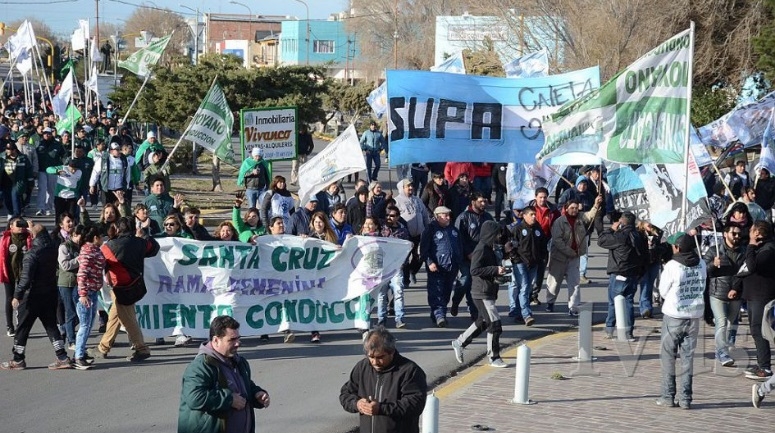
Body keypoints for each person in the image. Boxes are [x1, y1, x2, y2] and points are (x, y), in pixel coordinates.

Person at [178, 315, 270, 433]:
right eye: (232, 340)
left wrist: (257, 394)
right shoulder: (200, 366)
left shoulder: (239, 362)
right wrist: (229, 399)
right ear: (216, 340)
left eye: (238, 338)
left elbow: (243, 386)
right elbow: (195, 397)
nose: (238, 343)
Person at [0, 224, 72, 370]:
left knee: (22, 328)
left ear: (33, 236)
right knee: (51, 326)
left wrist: (17, 295)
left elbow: (25, 279)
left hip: (31, 297)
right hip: (49, 294)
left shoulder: (32, 254)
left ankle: (18, 359)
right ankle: (62, 357)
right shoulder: (53, 249)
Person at [339, 326, 427, 433]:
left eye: (380, 357)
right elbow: (346, 393)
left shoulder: (409, 371)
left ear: (392, 352)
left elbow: (415, 404)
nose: (375, 362)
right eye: (371, 357)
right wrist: (357, 404)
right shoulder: (362, 367)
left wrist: (381, 408)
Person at [95, 217, 159, 361]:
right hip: (135, 284)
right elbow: (154, 249)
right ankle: (103, 347)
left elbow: (101, 262)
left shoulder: (109, 246)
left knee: (128, 320)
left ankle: (141, 348)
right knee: (115, 316)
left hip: (120, 287)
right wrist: (144, 234)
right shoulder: (140, 243)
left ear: (118, 229)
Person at [656, 232, 706, 410]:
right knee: (687, 358)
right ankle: (686, 398)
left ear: (677, 248)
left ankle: (668, 396)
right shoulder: (702, 263)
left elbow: (662, 291)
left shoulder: (672, 265)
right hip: (693, 315)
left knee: (668, 357)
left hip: (674, 315)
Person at [451, 220, 508, 367]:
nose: (498, 236)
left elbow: (486, 267)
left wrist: (498, 272)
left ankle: (460, 342)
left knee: (483, 322)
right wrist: (495, 270)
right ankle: (493, 357)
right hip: (481, 292)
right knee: (495, 324)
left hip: (488, 290)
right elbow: (474, 270)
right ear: (490, 234)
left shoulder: (489, 248)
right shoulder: (481, 249)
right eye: (496, 234)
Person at [545, 197, 601, 314]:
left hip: (574, 258)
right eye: (571, 208)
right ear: (566, 209)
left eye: (576, 208)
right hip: (559, 258)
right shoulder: (560, 221)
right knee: (554, 283)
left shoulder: (580, 218)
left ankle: (573, 307)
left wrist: (596, 205)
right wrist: (570, 251)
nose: (574, 210)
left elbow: (590, 215)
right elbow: (557, 241)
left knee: (575, 284)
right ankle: (550, 302)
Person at [598, 211, 647, 340]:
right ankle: (628, 331)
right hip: (633, 274)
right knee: (628, 302)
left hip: (619, 272)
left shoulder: (620, 236)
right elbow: (646, 256)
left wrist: (610, 229)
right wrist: (641, 272)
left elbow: (602, 241)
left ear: (622, 222)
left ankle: (610, 328)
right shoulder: (640, 236)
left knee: (614, 302)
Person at [703, 223, 745, 367]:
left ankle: (724, 346)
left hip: (736, 292)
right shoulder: (714, 250)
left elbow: (744, 272)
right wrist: (713, 264)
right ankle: (721, 351)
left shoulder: (743, 252)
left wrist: (735, 288)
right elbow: (705, 271)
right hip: (718, 292)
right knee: (721, 321)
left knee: (731, 322)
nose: (737, 236)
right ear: (725, 234)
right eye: (734, 233)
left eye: (739, 234)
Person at [738, 221, 775, 380]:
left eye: (752, 230)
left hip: (762, 296)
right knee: (755, 330)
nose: (749, 232)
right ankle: (762, 363)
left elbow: (752, 266)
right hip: (753, 296)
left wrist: (751, 246)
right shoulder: (761, 247)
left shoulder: (768, 249)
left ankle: (765, 367)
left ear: (758, 233)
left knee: (760, 331)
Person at [452, 191, 493, 321]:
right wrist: (468, 252)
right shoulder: (464, 217)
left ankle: (474, 312)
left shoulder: (487, 217)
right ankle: (456, 301)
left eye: (484, 201)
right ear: (473, 202)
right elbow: (458, 238)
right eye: (480, 201)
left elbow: (493, 235)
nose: (483, 203)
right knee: (465, 281)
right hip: (467, 257)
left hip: (482, 257)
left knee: (476, 285)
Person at [420, 206, 463, 327]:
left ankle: (437, 312)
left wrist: (459, 260)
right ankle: (440, 315)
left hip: (452, 266)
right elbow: (424, 249)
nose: (448, 217)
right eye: (445, 215)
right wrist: (429, 262)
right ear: (438, 216)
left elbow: (459, 245)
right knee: (436, 290)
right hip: (437, 266)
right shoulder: (430, 229)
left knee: (446, 291)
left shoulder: (453, 229)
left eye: (449, 215)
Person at [508, 206, 547, 326]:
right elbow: (511, 246)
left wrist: (542, 258)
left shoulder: (537, 228)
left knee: (527, 288)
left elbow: (543, 244)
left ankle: (518, 312)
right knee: (524, 287)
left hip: (534, 263)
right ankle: (526, 314)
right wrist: (515, 259)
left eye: (535, 214)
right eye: (531, 214)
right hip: (520, 263)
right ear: (524, 216)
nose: (534, 217)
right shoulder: (518, 229)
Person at [73, 226, 104, 370]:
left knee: (89, 325)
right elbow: (82, 274)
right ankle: (78, 357)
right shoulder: (87, 252)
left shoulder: (95, 250)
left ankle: (82, 352)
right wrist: (83, 294)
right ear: (95, 237)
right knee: (84, 325)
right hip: (86, 293)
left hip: (93, 292)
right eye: (100, 236)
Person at [378, 205, 411, 328]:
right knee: (382, 294)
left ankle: (399, 318)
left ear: (397, 217)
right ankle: (381, 319)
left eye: (392, 215)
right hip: (383, 267)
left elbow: (407, 249)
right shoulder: (381, 229)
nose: (389, 218)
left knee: (398, 291)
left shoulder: (403, 231)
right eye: (387, 215)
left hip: (397, 266)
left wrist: (403, 263)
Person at [0, 218, 31, 337]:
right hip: (10, 273)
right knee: (9, 298)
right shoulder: (6, 238)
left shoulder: (28, 237)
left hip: (24, 274)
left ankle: (21, 324)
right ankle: (9, 325)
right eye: (17, 224)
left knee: (23, 299)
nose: (21, 227)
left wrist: (31, 228)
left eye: (22, 224)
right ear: (11, 227)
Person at [56, 223, 83, 351]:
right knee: (70, 312)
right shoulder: (64, 247)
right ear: (72, 235)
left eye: (81, 236)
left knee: (79, 312)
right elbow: (65, 265)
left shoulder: (81, 246)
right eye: (77, 235)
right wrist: (79, 259)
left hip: (78, 282)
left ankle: (67, 330)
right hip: (66, 283)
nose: (79, 238)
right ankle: (71, 341)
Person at [89, 140, 130, 206]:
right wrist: (92, 185)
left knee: (119, 209)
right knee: (106, 207)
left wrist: (126, 186)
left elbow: (127, 173)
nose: (119, 151)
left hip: (119, 189)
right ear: (111, 151)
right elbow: (95, 172)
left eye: (119, 149)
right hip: (106, 189)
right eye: (116, 150)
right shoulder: (103, 159)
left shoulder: (124, 159)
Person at [1, 142, 34, 220]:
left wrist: (30, 182)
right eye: (7, 149)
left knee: (15, 196)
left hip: (18, 182)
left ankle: (17, 214)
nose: (8, 151)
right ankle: (10, 212)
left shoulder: (23, 158)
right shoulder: (2, 157)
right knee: (7, 199)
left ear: (15, 150)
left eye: (10, 149)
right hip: (5, 182)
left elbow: (29, 170)